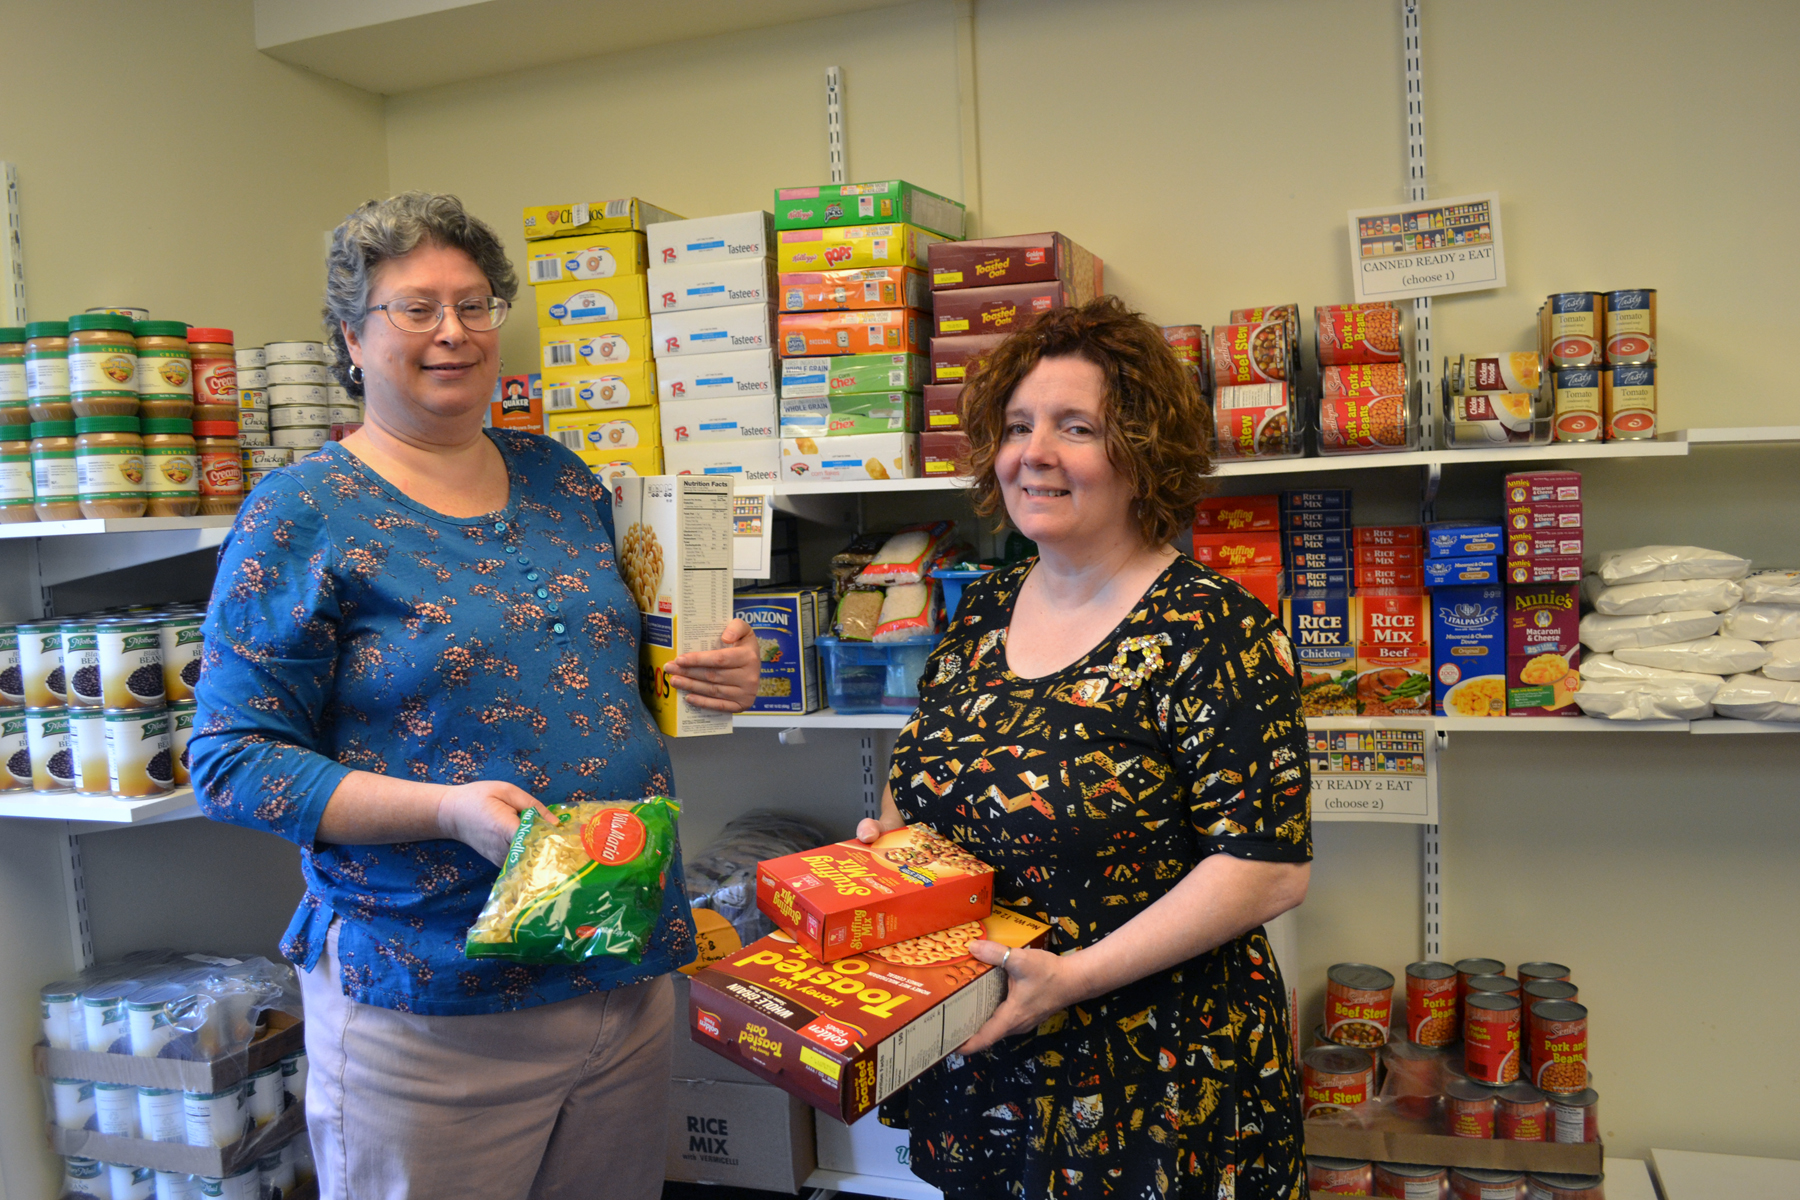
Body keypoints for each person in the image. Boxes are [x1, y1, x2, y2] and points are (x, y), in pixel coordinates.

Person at [189, 191, 761, 1200]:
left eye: (475, 303)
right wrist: (446, 811)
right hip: (430, 1003)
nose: (453, 331)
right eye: (415, 308)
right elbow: (233, 765)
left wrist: (715, 675)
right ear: (352, 340)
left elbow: (591, 680)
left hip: (612, 958)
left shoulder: (562, 482)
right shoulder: (300, 514)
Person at [857, 297, 1313, 1199]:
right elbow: (921, 786)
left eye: (1077, 428)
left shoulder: (1214, 629)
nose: (1037, 453)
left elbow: (1265, 867)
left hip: (1156, 1073)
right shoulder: (984, 608)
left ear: (1142, 456)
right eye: (1019, 426)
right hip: (985, 1054)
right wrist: (888, 863)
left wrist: (1071, 978)